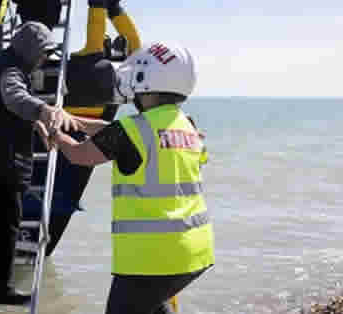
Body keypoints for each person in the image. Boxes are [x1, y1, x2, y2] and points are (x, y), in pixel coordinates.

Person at [40, 41, 214, 314]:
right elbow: (115, 132)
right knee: (153, 305)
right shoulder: (186, 126)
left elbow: (79, 154)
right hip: (194, 251)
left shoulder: (132, 130)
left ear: (146, 81)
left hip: (152, 258)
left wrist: (53, 132)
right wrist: (72, 119)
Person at [0, 21, 80, 310]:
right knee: (6, 229)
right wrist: (44, 110)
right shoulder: (12, 71)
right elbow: (13, 97)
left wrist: (36, 123)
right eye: (42, 53)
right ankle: (0, 289)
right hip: (3, 163)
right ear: (29, 50)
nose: (43, 59)